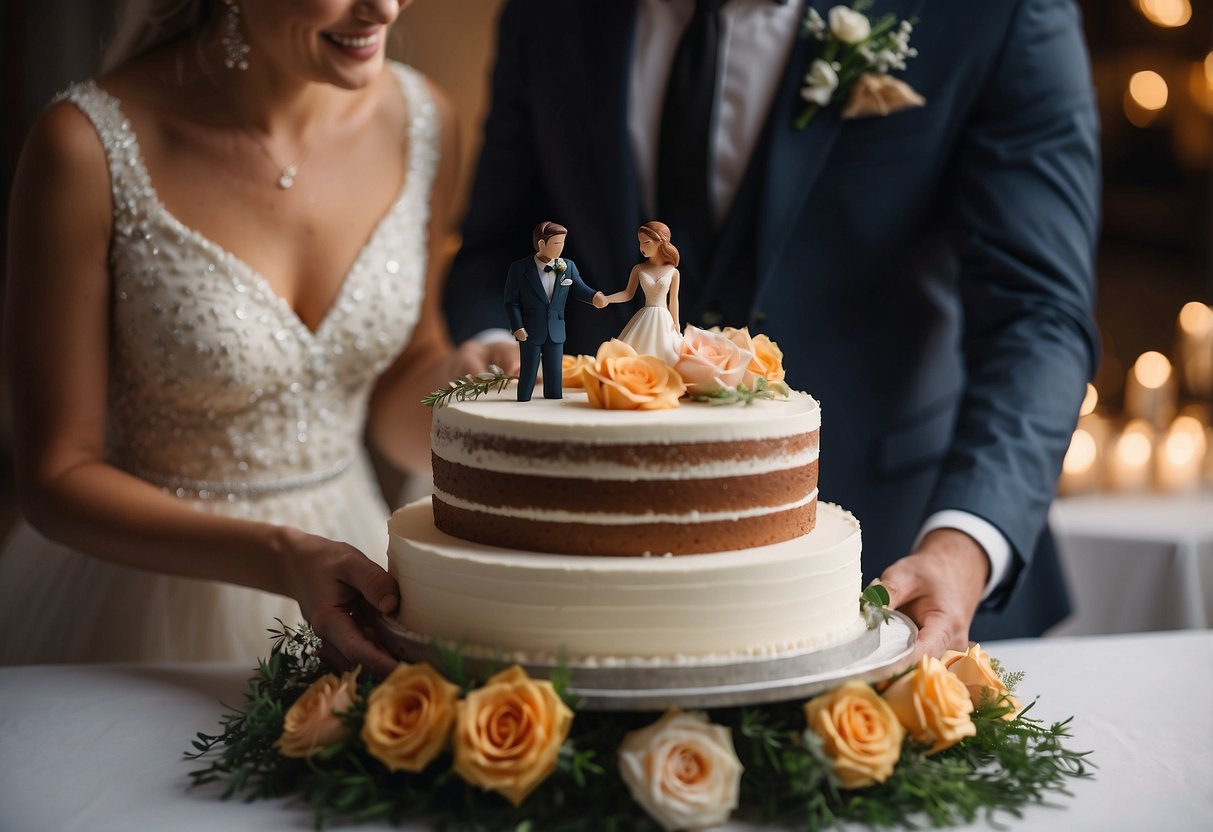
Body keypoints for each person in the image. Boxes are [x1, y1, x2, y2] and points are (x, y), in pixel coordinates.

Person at [444, 0, 1100, 656]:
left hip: (899, 560)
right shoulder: (545, 14)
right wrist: (496, 348)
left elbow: (1036, 312)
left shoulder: (999, 12)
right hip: (602, 585)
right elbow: (501, 242)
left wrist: (962, 546)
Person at [0, 0, 470, 676]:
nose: (385, 8)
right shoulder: (84, 145)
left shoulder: (424, 123)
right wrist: (281, 557)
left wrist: (462, 383)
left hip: (357, 566)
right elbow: (55, 476)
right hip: (140, 599)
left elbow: (402, 384)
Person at [504, 221, 608, 401]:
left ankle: (552, 400)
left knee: (554, 371)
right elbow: (510, 302)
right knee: (528, 369)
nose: (561, 248)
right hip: (529, 330)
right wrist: (517, 327)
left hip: (556, 328)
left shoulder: (568, 266)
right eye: (556, 244)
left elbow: (580, 288)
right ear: (541, 244)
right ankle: (522, 401)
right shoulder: (520, 268)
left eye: (563, 243)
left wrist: (594, 297)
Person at [604, 221, 683, 366]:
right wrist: (607, 299)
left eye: (646, 242)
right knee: (636, 349)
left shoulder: (673, 272)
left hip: (665, 319)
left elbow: (674, 300)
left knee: (665, 351)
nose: (642, 247)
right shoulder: (639, 269)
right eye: (640, 243)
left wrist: (676, 323)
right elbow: (628, 294)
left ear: (660, 242)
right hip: (645, 316)